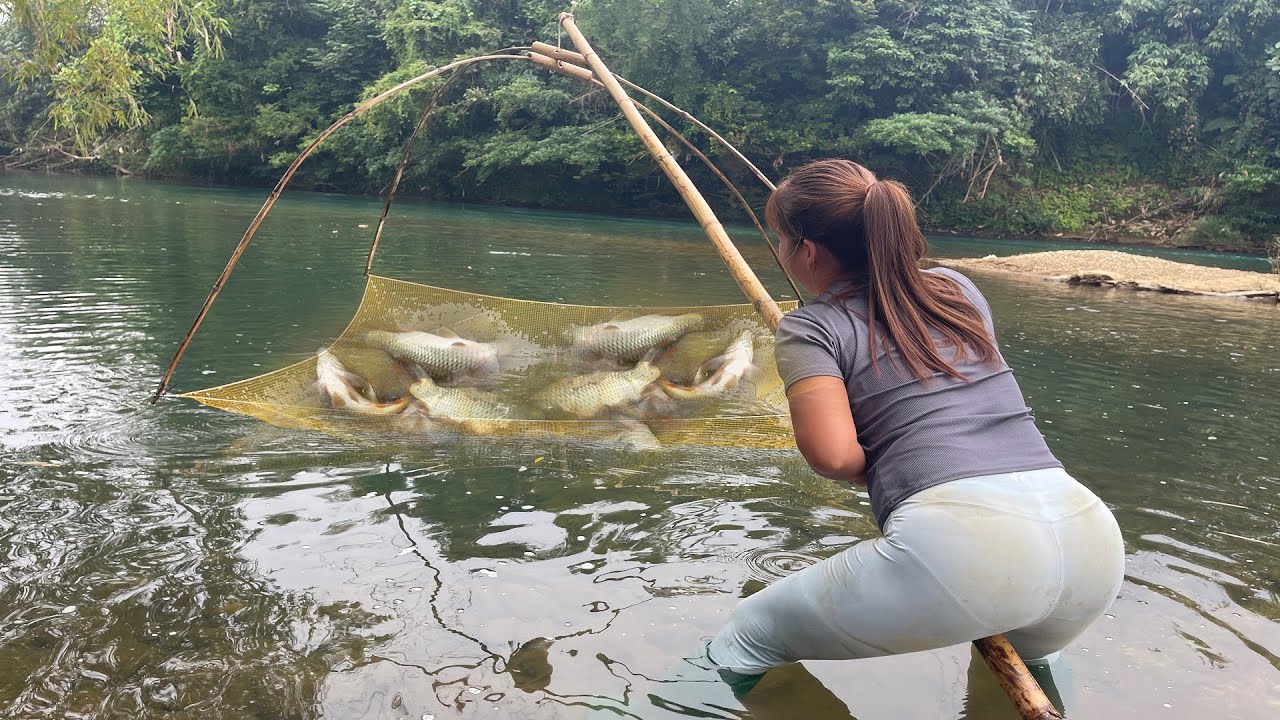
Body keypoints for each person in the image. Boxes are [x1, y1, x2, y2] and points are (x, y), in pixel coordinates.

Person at [707, 159, 1125, 700]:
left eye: (782, 241)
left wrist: (892, 461)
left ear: (807, 252)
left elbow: (834, 456)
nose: (783, 251)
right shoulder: (957, 289)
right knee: (1018, 682)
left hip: (965, 548)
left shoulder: (810, 328)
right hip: (1090, 542)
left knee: (747, 637)